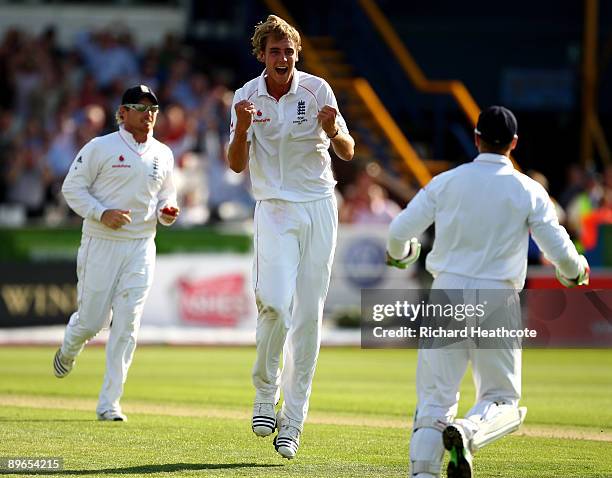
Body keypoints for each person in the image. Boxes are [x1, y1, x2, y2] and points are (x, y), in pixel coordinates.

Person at [386, 106, 589, 478]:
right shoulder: (528, 189)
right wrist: (576, 271)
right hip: (497, 298)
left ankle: (423, 473)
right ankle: (467, 431)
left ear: (477, 139)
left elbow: (399, 231)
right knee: (502, 400)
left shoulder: (446, 182)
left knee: (434, 402)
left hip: (446, 293)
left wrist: (403, 256)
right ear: (513, 143)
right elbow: (558, 249)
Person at [227, 15, 355, 459]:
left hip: (319, 205)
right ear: (262, 55)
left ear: (297, 55)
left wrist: (334, 129)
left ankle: (294, 418)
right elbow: (237, 165)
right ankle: (265, 396)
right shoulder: (245, 96)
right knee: (276, 304)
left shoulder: (317, 90)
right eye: (275, 51)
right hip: (274, 208)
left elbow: (348, 150)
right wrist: (242, 128)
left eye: (289, 52)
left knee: (307, 318)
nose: (283, 58)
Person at [52, 85, 179, 422]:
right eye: (141, 108)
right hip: (101, 242)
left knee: (128, 323)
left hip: (141, 245)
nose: (149, 115)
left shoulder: (163, 153)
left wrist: (167, 211)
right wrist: (100, 213)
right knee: (93, 321)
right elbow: (72, 189)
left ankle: (110, 402)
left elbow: (168, 195)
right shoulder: (100, 147)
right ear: (123, 113)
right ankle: (70, 345)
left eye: (153, 109)